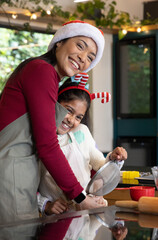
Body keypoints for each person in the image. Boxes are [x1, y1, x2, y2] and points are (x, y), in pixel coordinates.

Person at [0, 20, 106, 223]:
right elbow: (47, 145)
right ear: (59, 42)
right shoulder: (42, 70)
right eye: (80, 45)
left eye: (90, 57)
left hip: (18, 175)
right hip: (11, 176)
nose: (82, 58)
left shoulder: (43, 73)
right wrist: (80, 197)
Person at [38, 75, 127, 215]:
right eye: (68, 110)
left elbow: (100, 165)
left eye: (78, 117)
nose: (71, 120)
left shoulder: (82, 132)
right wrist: (45, 204)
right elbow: (26, 187)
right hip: (57, 217)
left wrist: (114, 158)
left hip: (87, 210)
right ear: (56, 103)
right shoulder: (39, 139)